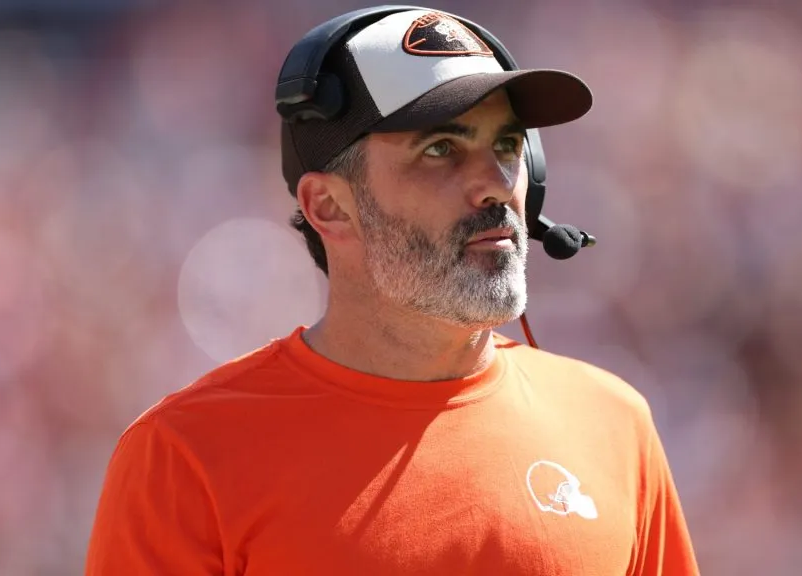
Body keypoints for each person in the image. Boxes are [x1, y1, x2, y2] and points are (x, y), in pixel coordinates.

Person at [85, 7, 700, 575]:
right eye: (440, 150)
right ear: (328, 205)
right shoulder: (184, 457)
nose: (494, 185)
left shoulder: (614, 425)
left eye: (507, 145)